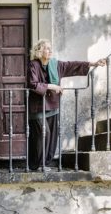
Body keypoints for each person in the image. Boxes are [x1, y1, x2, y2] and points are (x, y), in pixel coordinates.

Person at [27, 39, 106, 171]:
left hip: (52, 104)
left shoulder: (55, 64)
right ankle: (37, 164)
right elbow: (32, 84)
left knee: (51, 136)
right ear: (39, 51)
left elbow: (72, 65)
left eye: (50, 48)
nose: (50, 50)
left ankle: (45, 164)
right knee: (42, 132)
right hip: (38, 106)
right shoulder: (33, 65)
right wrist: (53, 86)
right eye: (47, 48)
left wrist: (93, 63)